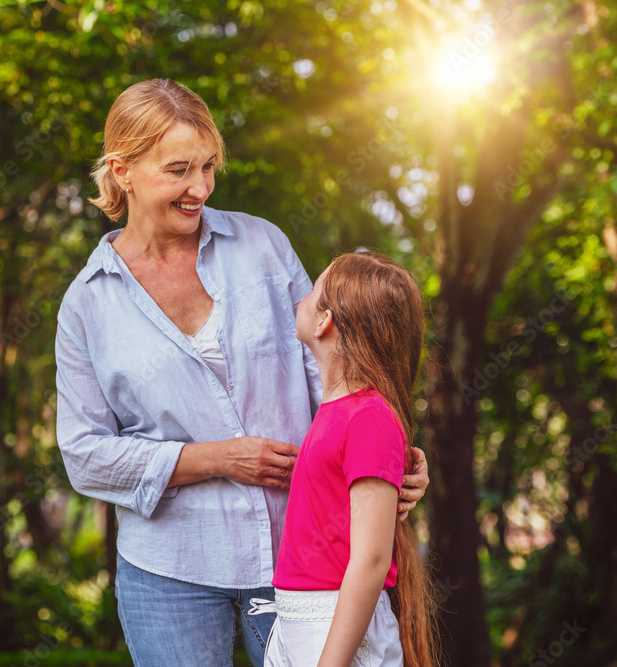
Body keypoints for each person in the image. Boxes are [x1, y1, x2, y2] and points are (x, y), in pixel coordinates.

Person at [54, 78, 430, 667]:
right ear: (123, 170)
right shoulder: (87, 304)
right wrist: (216, 458)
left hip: (301, 556)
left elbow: (337, 372)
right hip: (169, 571)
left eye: (208, 167)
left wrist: (382, 463)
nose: (199, 187)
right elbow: (84, 455)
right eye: (178, 169)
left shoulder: (263, 247)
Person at [252, 252, 437, 667]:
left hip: (335, 625)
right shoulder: (337, 412)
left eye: (313, 288)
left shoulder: (369, 417)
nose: (303, 294)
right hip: (301, 618)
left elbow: (371, 560)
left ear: (324, 321)